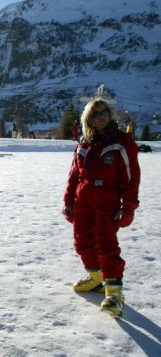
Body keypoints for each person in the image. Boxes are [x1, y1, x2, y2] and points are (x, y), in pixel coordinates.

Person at [62, 99, 140, 318]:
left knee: (106, 244)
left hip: (107, 201)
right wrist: (68, 201)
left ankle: (115, 292)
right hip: (83, 200)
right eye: (96, 114)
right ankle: (95, 278)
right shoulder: (84, 142)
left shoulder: (121, 142)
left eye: (105, 112)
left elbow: (131, 178)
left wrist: (129, 207)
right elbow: (73, 176)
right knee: (82, 241)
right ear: (89, 118)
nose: (102, 117)